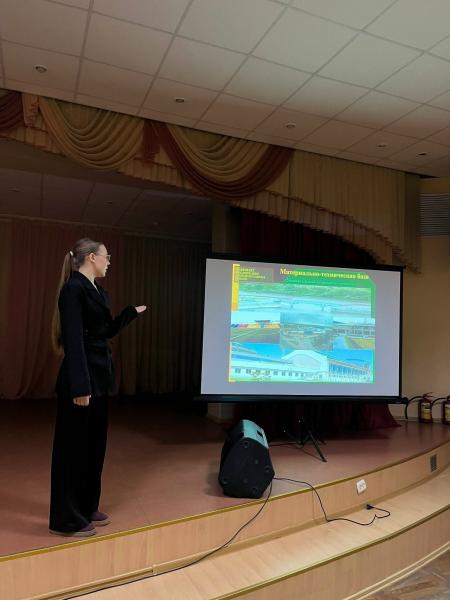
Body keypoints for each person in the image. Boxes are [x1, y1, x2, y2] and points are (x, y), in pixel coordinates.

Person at [49, 238, 146, 537]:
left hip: (100, 380)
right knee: (72, 451)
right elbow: (74, 339)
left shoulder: (98, 291)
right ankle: (66, 519)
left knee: (94, 448)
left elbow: (104, 331)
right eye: (106, 256)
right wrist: (80, 386)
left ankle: (87, 505)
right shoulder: (73, 289)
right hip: (81, 382)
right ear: (91, 257)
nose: (109, 261)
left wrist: (129, 313)